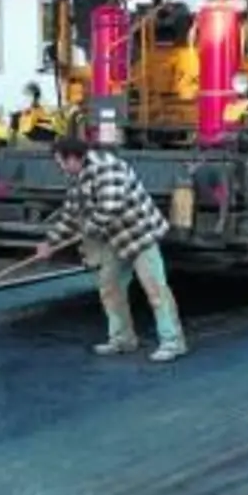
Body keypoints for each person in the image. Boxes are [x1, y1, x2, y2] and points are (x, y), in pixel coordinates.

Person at [34, 137, 187, 362]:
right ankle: (122, 339)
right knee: (110, 287)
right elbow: (70, 215)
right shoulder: (78, 176)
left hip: (139, 235)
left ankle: (173, 342)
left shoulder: (108, 167)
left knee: (155, 289)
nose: (61, 167)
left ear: (74, 157)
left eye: (62, 162)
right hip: (113, 239)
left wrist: (86, 231)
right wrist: (50, 242)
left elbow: (109, 207)